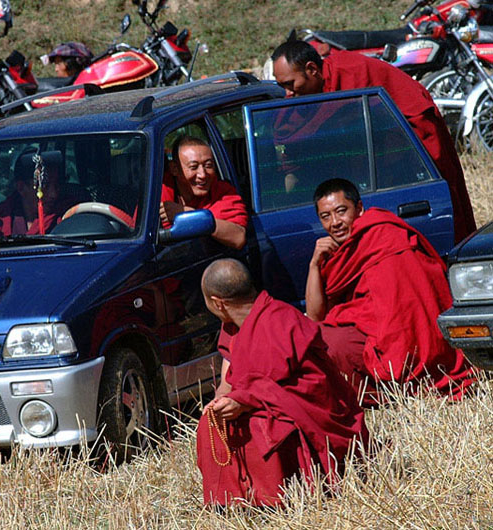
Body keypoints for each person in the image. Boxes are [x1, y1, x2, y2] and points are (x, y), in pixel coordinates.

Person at [197, 258, 368, 507]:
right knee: (212, 423)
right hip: (273, 403)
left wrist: (245, 402)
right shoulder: (234, 327)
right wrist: (223, 400)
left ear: (217, 303)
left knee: (258, 426)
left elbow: (312, 388)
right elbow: (230, 379)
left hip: (311, 415)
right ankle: (230, 500)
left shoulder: (280, 321)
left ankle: (272, 498)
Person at [271, 39, 476, 244]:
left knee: (449, 208)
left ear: (312, 69)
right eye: (282, 86)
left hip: (410, 145)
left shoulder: (352, 71)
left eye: (291, 84)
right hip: (370, 161)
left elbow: (406, 117)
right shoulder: (304, 96)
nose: (288, 94)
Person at [305, 178, 475, 404]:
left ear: (359, 208)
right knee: (318, 341)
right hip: (370, 332)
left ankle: (395, 390)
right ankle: (382, 395)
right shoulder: (337, 254)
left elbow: (405, 305)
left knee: (333, 345)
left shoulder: (384, 235)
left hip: (403, 338)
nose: (335, 222)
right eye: (325, 217)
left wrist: (395, 353)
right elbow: (315, 316)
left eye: (341, 211)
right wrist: (314, 264)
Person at [160, 136, 248, 249]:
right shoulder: (158, 192)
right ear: (174, 169)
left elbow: (238, 237)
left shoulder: (223, 192)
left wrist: (190, 216)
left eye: (208, 165)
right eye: (193, 167)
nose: (203, 174)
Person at [0, 151, 77, 237]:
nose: (54, 194)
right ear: (21, 188)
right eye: (44, 185)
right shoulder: (0, 218)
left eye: (57, 185)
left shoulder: (69, 215)